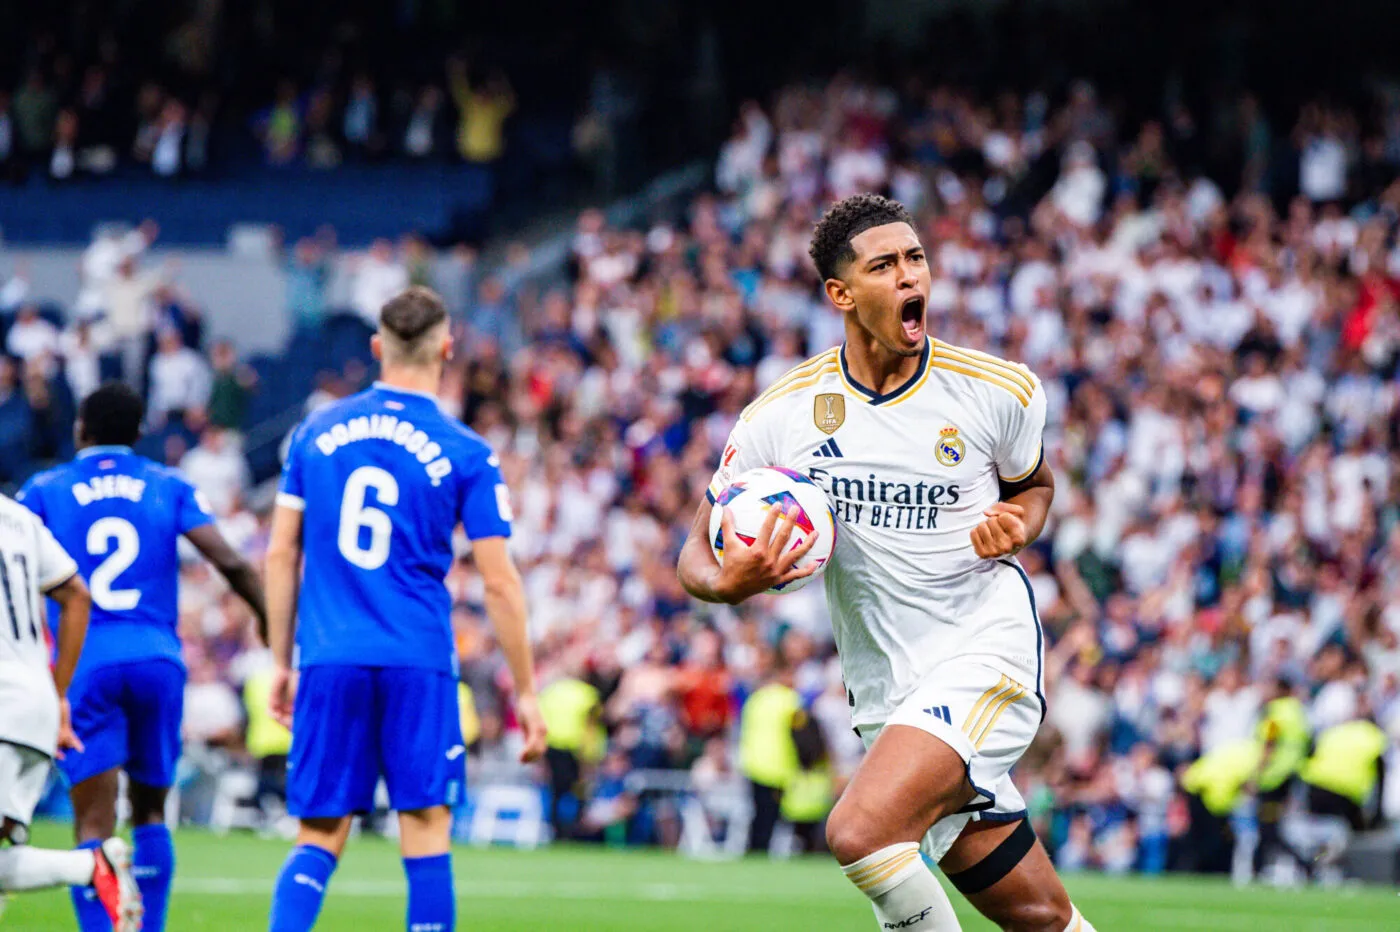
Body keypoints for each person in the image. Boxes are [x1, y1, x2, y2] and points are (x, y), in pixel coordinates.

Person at [677, 195, 1095, 931]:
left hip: (981, 653)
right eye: (884, 265)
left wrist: (1019, 526)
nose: (910, 277)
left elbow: (1035, 484)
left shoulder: (996, 391)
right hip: (888, 695)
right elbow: (695, 547)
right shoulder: (784, 415)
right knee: (1041, 917)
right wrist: (726, 583)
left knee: (862, 831)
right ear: (840, 294)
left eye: (916, 259)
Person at [264, 285, 547, 932]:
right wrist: (525, 691)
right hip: (417, 659)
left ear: (375, 348)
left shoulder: (315, 432)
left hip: (331, 655)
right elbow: (500, 583)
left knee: (319, 834)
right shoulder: (466, 449)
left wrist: (281, 659)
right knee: (424, 830)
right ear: (447, 348)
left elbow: (280, 556)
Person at [17, 382, 267, 932]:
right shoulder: (168, 484)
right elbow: (229, 560)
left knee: (93, 824)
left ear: (81, 429)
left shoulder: (46, 488)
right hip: (157, 659)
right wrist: (271, 619)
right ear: (139, 433)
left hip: (86, 663)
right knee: (152, 811)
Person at [0, 493, 141, 931]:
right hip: (33, 704)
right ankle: (90, 867)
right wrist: (57, 692)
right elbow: (77, 594)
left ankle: (92, 865)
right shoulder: (18, 517)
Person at [1251, 677, 1313, 880]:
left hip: (1272, 778)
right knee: (1268, 827)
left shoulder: (1274, 712)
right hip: (1290, 775)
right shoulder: (1298, 712)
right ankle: (1257, 867)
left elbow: (1269, 743)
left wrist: (1255, 774)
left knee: (1268, 827)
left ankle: (1302, 863)